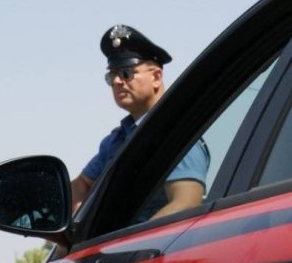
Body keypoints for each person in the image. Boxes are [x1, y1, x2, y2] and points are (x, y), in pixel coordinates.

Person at [71, 24, 209, 219]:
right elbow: (80, 185)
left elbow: (186, 203)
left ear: (156, 77)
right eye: (112, 75)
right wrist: (76, 226)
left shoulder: (176, 133)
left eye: (126, 73)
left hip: (152, 240)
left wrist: (138, 237)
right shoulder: (117, 140)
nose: (117, 81)